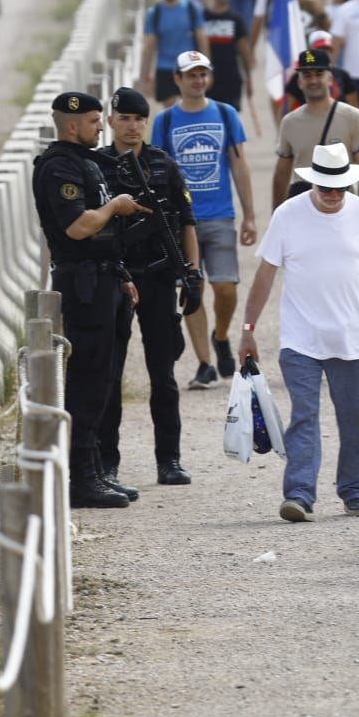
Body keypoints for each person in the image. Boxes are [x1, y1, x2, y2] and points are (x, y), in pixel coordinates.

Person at [240, 143, 359, 523]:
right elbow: (265, 276)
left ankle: (353, 489)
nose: (333, 195)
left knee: (357, 418)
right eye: (326, 188)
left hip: (354, 336)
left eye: (340, 188)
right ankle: (299, 493)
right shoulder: (288, 215)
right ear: (313, 183)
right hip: (301, 337)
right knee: (304, 415)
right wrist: (248, 329)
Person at [31, 92, 141, 509]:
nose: (102, 127)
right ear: (72, 125)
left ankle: (95, 470)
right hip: (82, 283)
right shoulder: (59, 165)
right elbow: (79, 227)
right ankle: (80, 478)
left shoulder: (88, 163)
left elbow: (104, 236)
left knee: (106, 379)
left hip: (104, 279)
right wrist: (115, 206)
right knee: (88, 380)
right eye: (95, 121)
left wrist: (122, 276)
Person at [99, 86, 200, 487]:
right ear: (111, 121)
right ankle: (107, 462)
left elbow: (187, 222)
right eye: (124, 118)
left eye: (139, 119)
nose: (132, 126)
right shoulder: (98, 166)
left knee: (164, 373)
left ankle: (169, 460)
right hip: (117, 278)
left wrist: (192, 274)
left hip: (158, 276)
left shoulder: (164, 165)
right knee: (110, 373)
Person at [151, 50, 256, 389]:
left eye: (202, 74)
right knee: (191, 290)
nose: (198, 80)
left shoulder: (225, 114)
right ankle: (204, 363)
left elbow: (238, 165)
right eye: (191, 75)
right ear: (178, 79)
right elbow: (158, 170)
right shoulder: (165, 121)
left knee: (226, 288)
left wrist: (250, 215)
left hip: (220, 216)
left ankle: (221, 335)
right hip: (183, 222)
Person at [274, 47, 359, 207]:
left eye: (319, 74)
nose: (313, 80)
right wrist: (277, 216)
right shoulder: (289, 122)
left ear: (330, 79)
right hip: (302, 203)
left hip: (339, 200)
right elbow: (281, 174)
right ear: (299, 82)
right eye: (307, 76)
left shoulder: (351, 116)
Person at [142, 0, 208, 102]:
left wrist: (207, 69)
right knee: (171, 109)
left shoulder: (191, 9)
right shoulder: (155, 13)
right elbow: (148, 47)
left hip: (188, 67)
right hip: (164, 68)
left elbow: (202, 40)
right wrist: (145, 76)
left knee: (190, 106)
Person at [199, 0, 250, 112]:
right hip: (207, 79)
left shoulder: (236, 19)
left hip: (231, 78)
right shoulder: (202, 17)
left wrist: (248, 78)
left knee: (230, 119)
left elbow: (244, 50)